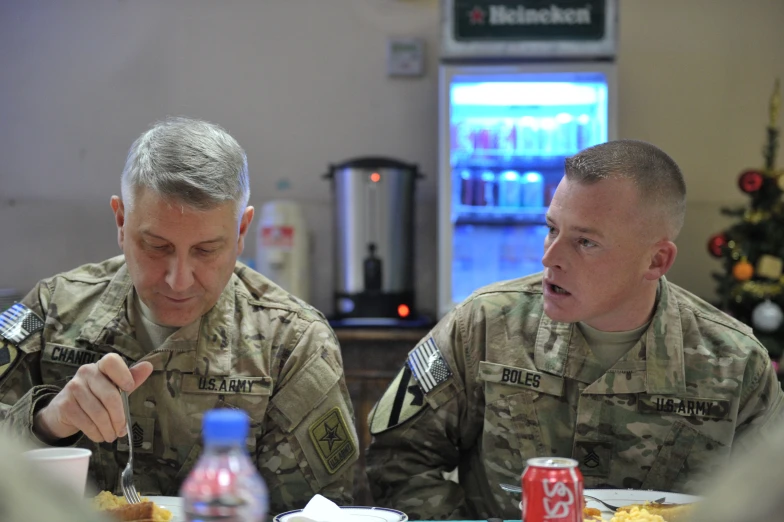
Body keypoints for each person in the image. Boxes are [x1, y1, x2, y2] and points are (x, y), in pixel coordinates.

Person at [365, 140, 784, 520]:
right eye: (551, 228)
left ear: (656, 261)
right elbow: (397, 462)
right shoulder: (484, 325)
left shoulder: (735, 363)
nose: (550, 258)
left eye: (585, 242)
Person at [0, 117, 358, 513]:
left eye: (206, 250)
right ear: (121, 220)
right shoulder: (50, 311)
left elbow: (319, 512)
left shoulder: (293, 343)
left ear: (242, 231)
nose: (179, 280)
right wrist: (47, 423)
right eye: (156, 246)